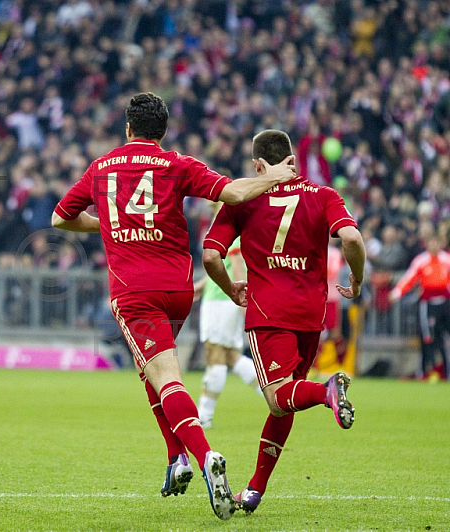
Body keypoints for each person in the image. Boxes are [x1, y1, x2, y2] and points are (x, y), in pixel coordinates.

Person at [51, 93, 297, 520]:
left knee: (165, 377)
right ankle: (175, 457)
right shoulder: (177, 164)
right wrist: (274, 176)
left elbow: (60, 217)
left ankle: (202, 456)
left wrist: (106, 224)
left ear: (128, 128)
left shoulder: (101, 167)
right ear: (163, 132)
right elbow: (233, 192)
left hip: (135, 291)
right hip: (178, 289)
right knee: (153, 368)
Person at [202, 129, 367, 514]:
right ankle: (254, 490)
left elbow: (211, 256)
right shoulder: (324, 195)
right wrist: (357, 280)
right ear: (291, 160)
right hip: (311, 314)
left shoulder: (242, 199)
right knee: (285, 402)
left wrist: (230, 288)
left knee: (279, 397)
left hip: (269, 313)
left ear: (258, 165)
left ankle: (327, 391)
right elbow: (352, 239)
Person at [194, 235, 262, 429]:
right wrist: (201, 286)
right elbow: (222, 267)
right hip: (223, 298)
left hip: (221, 301)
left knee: (214, 354)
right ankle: (275, 396)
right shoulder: (233, 229)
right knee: (232, 357)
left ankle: (204, 416)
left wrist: (244, 301)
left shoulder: (230, 228)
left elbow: (237, 263)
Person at [389, 233, 450, 380]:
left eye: (436, 242)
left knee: (443, 338)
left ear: (441, 243)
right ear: (427, 244)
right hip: (427, 305)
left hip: (445, 304)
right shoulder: (421, 261)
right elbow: (409, 278)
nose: (434, 245)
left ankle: (445, 373)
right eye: (431, 242)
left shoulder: (447, 260)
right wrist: (397, 292)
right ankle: (424, 372)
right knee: (427, 338)